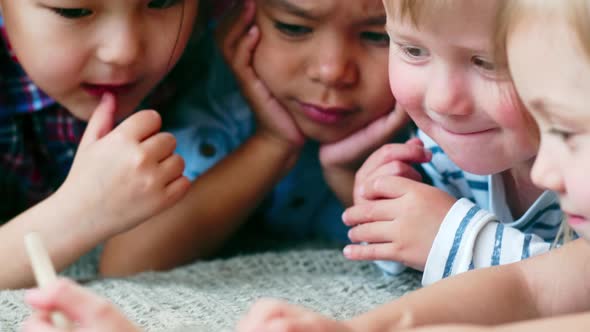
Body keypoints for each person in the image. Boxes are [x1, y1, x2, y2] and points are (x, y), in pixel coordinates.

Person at [20, 0, 590, 330]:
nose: (332, 69)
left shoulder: (463, 131)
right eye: (411, 50)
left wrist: (441, 231)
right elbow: (526, 286)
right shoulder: (444, 143)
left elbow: (541, 284)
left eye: (488, 62)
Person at [97, 0, 412, 275]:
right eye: (294, 28)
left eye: (377, 36)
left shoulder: (435, 131)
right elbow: (126, 261)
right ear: (236, 20)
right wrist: (273, 143)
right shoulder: (224, 102)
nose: (332, 71)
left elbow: (437, 264)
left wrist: (346, 176)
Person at [339, 0, 561, 281]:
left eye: (488, 63)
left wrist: (456, 241)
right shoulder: (440, 150)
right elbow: (415, 264)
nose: (442, 102)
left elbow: (574, 288)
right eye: (413, 50)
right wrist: (387, 216)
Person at [0, 0, 200, 289]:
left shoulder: (223, 43)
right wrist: (81, 211)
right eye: (73, 11)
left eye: (161, 2)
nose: (123, 51)